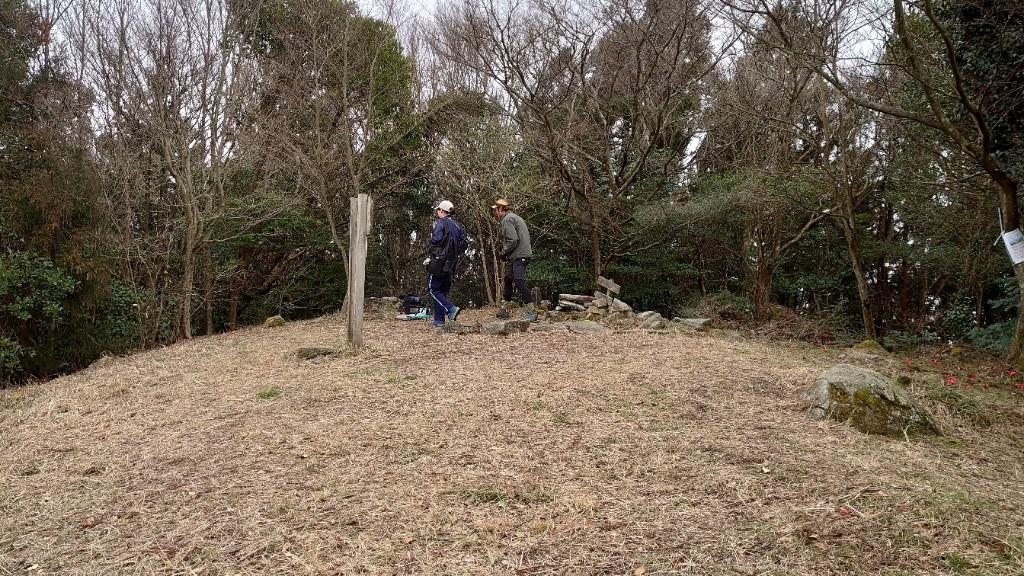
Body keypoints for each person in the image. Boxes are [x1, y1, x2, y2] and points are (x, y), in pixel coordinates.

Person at [491, 198, 536, 322]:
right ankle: (504, 309)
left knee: (518, 280)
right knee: (508, 278)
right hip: (521, 254)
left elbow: (513, 240)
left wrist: (503, 253)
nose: (495, 213)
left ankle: (532, 310)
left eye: (496, 210)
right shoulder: (515, 217)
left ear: (501, 209)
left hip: (520, 255)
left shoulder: (507, 219)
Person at [427, 200, 467, 327]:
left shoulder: (441, 223)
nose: (437, 212)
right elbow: (465, 243)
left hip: (439, 262)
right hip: (451, 263)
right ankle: (439, 320)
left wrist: (434, 255)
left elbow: (436, 240)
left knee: (433, 289)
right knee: (442, 291)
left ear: (442, 210)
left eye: (438, 210)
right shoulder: (457, 225)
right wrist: (454, 253)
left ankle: (451, 309)